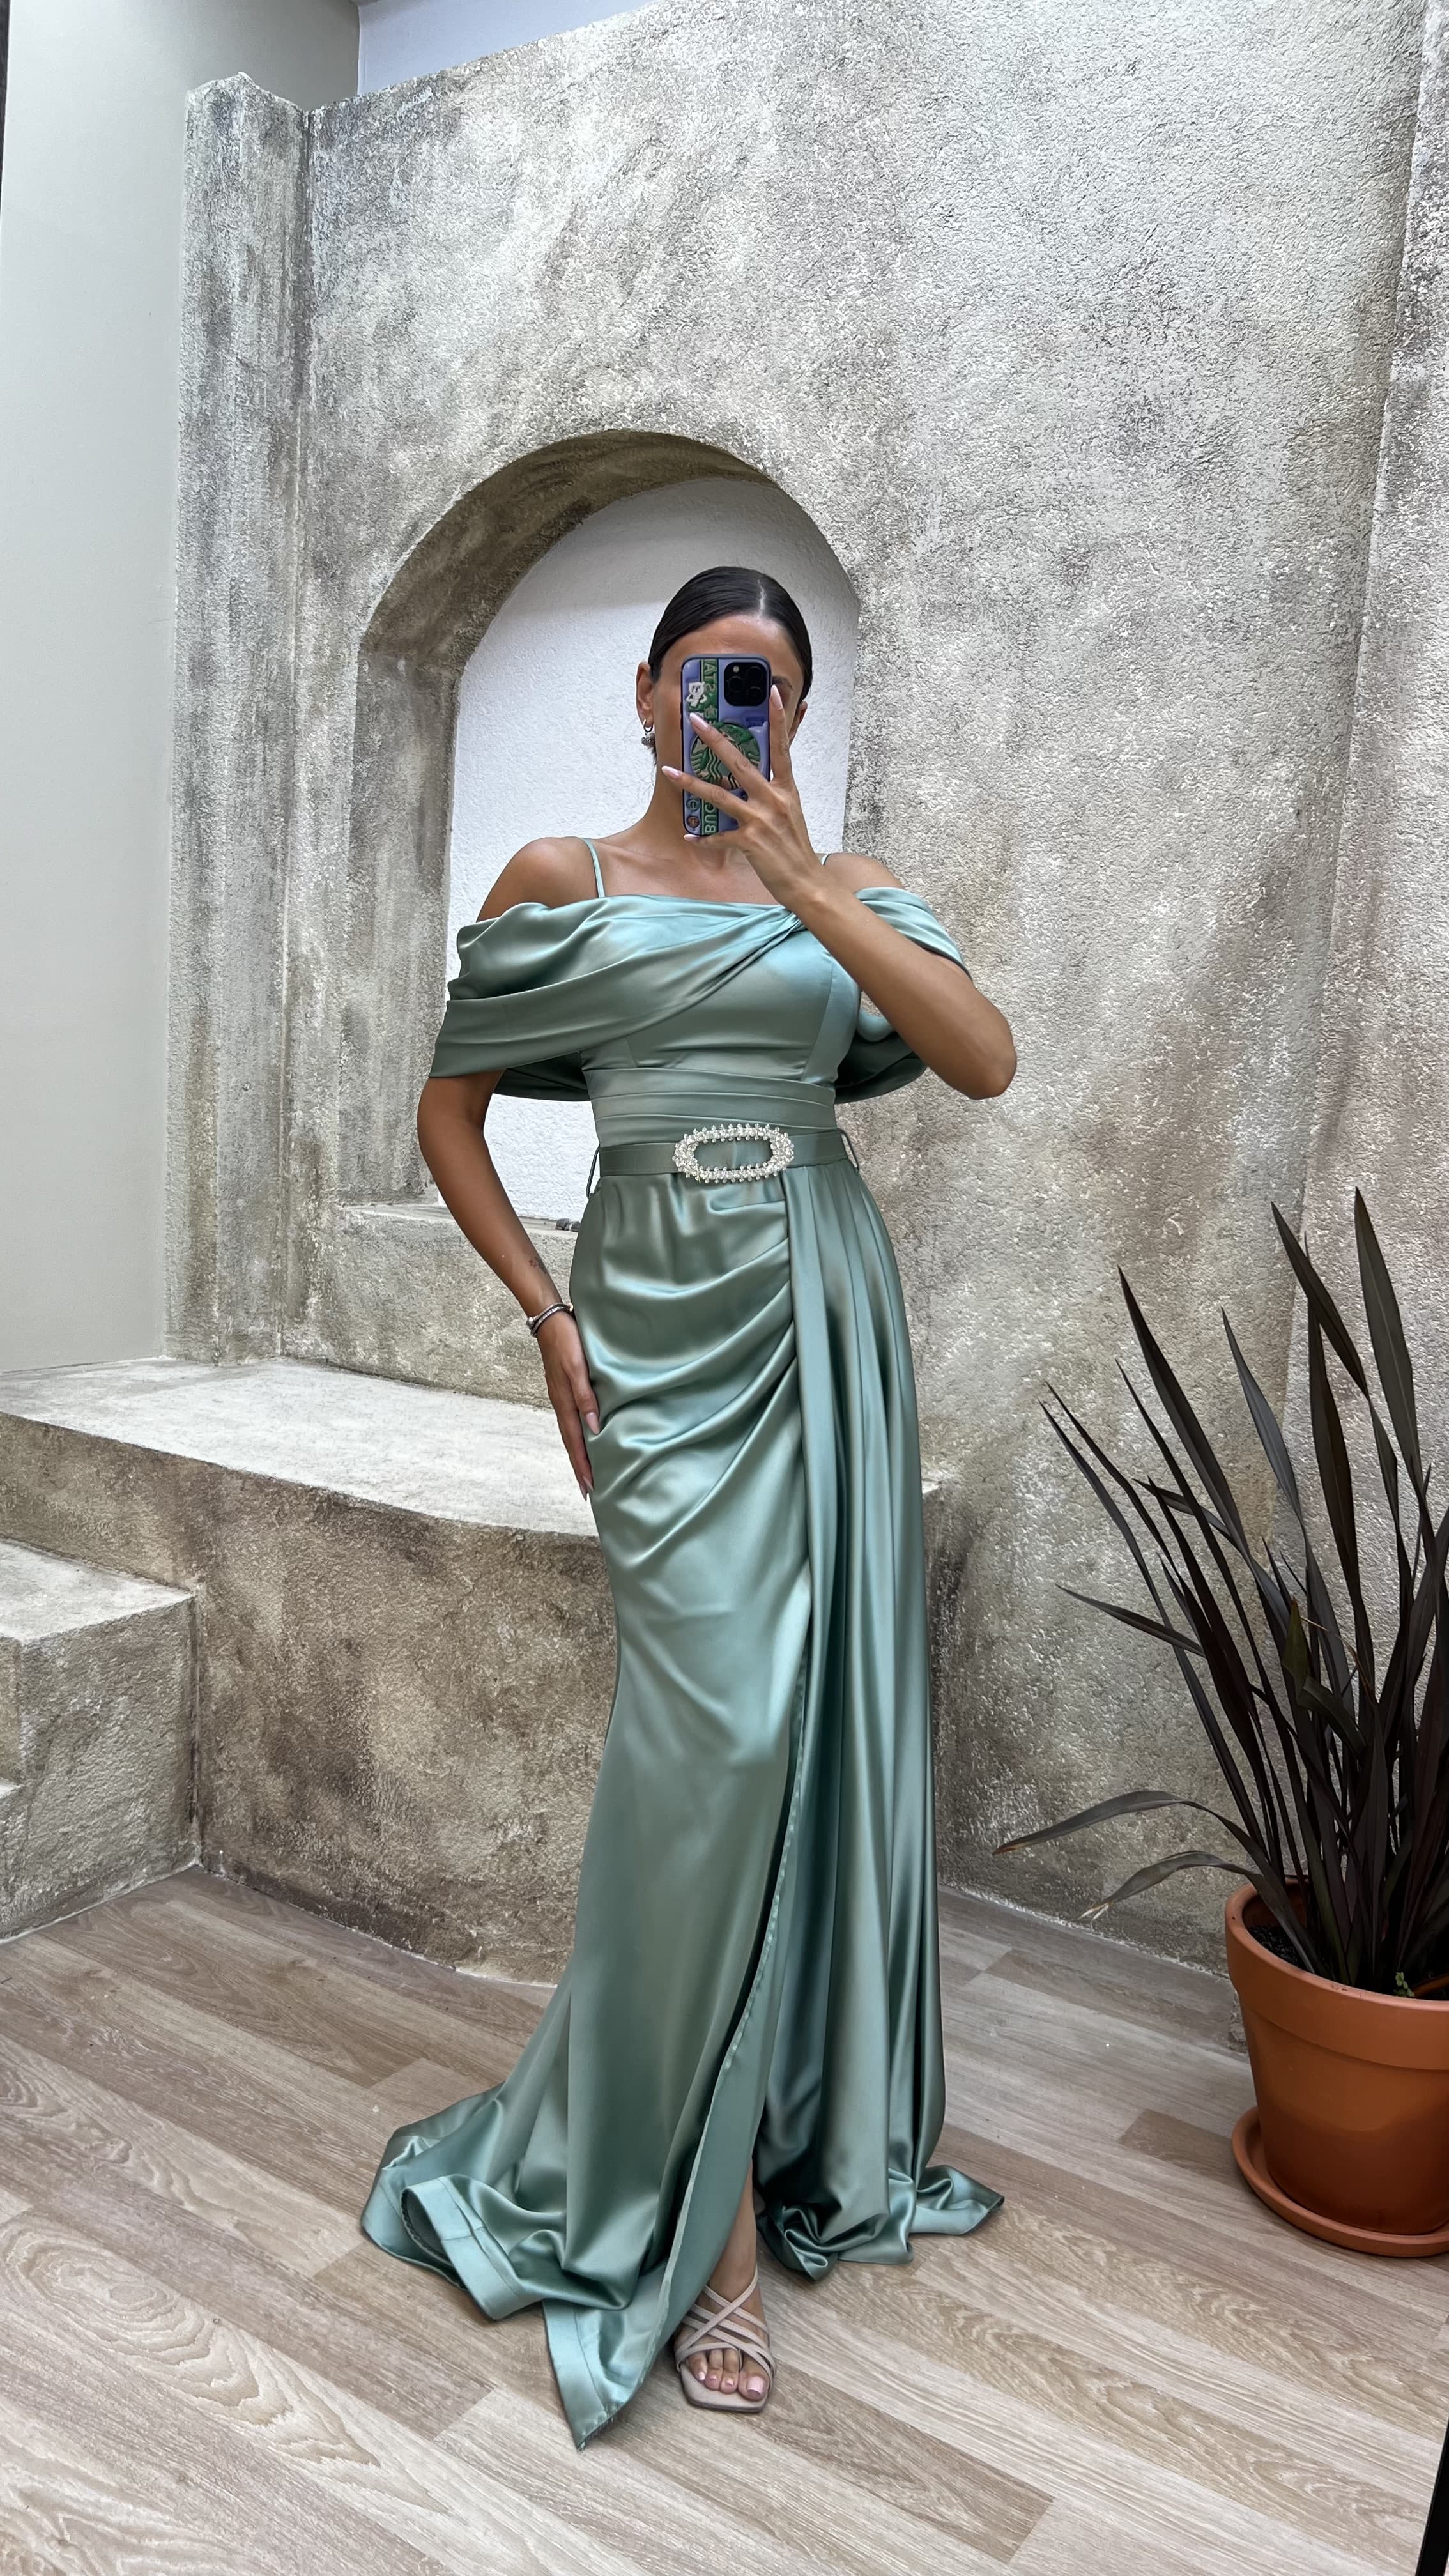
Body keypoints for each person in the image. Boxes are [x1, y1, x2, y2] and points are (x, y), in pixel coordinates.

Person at [360, 564, 1017, 2448]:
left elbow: (981, 1060)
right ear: (647, 695)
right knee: (708, 1740)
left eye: (774, 687)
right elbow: (450, 1112)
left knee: (803, 1737)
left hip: (820, 1314)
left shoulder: (843, 889)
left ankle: (743, 2167)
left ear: (796, 717)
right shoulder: (559, 881)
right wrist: (545, 1315)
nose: (741, 708)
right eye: (712, 677)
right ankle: (692, 2213)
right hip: (650, 1330)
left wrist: (805, 881)